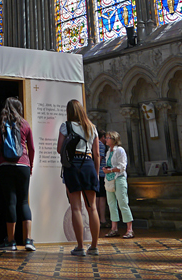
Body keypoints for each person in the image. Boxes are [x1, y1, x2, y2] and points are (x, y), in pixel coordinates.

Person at [0, 97, 35, 252]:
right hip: (23, 166)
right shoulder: (25, 124)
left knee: (10, 202)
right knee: (23, 202)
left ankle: (11, 241)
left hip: (5, 166)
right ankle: (28, 240)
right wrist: (31, 165)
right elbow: (32, 148)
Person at [57, 99, 100, 257]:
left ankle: (80, 247)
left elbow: (59, 148)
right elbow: (96, 153)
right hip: (88, 164)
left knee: (76, 207)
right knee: (92, 207)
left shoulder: (66, 126)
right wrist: (96, 172)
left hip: (73, 166)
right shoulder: (91, 127)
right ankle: (94, 246)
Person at [103, 131, 134, 238]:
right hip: (109, 180)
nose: (106, 139)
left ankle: (129, 229)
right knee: (111, 204)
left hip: (118, 178)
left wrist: (110, 170)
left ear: (113, 139)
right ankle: (114, 228)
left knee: (123, 203)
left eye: (107, 137)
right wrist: (106, 169)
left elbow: (122, 166)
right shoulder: (108, 152)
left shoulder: (120, 150)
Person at [97, 130, 109, 228]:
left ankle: (97, 219)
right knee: (101, 197)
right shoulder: (100, 145)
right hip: (100, 174)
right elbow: (99, 159)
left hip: (96, 174)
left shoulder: (93, 143)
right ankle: (102, 219)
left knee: (97, 197)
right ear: (103, 137)